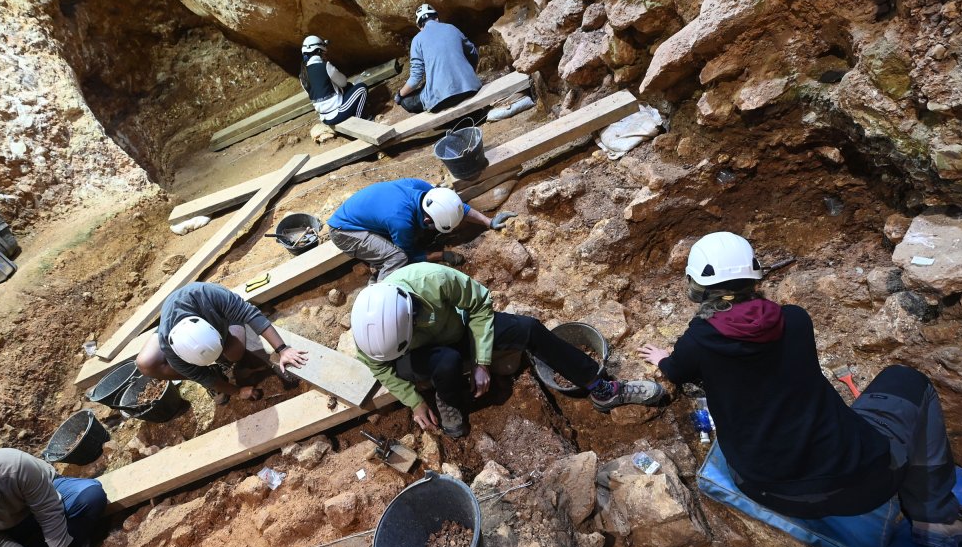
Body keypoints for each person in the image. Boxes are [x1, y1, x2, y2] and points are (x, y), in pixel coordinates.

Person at [637, 232, 962, 547]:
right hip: (860, 485)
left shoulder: (697, 342)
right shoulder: (796, 321)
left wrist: (665, 358)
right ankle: (938, 520)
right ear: (756, 276)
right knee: (905, 380)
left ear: (696, 286)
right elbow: (762, 337)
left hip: (760, 484)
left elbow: (676, 370)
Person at [352, 263, 664, 438]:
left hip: (455, 332)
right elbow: (380, 367)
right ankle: (449, 403)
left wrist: (482, 362)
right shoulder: (370, 330)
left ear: (413, 314)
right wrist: (414, 402)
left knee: (527, 327)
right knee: (444, 361)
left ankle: (601, 388)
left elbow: (479, 305)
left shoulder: (433, 280)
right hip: (422, 358)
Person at [135, 282, 308, 402]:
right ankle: (216, 370)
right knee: (145, 363)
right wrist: (237, 391)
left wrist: (282, 349)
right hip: (173, 323)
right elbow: (200, 376)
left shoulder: (208, 295)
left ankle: (225, 355)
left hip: (213, 313)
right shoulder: (171, 348)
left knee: (234, 353)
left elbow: (250, 314)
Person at [327, 178, 516, 281]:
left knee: (419, 237)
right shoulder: (401, 222)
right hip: (345, 231)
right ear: (426, 218)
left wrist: (488, 222)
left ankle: (376, 262)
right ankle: (378, 290)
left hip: (368, 219)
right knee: (396, 258)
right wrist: (441, 255)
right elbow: (407, 256)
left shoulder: (425, 189)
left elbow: (456, 206)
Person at [393, 4, 482, 114]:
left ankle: (448, 120)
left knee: (406, 101)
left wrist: (400, 94)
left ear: (419, 26)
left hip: (442, 100)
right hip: (471, 88)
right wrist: (468, 73)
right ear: (437, 18)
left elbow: (416, 78)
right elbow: (473, 52)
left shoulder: (417, 40)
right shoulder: (451, 28)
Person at [299, 35, 369, 126]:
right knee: (362, 88)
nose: (325, 56)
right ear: (319, 51)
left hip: (324, 118)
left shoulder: (302, 75)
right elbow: (343, 83)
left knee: (349, 87)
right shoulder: (325, 66)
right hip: (336, 114)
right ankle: (361, 121)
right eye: (324, 53)